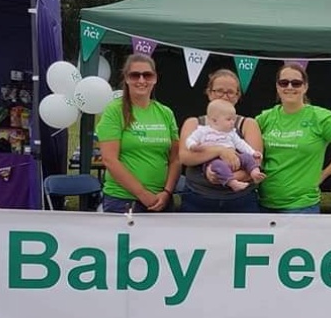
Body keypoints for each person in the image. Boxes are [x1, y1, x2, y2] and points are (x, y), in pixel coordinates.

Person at [256, 63, 331, 213]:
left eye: (296, 83)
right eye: (283, 82)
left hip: (302, 205)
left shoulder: (321, 118)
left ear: (305, 87)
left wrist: (324, 174)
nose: (289, 87)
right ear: (277, 86)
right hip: (264, 202)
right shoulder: (265, 118)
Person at [95, 54, 180, 213]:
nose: (142, 80)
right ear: (126, 78)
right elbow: (109, 159)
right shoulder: (114, 111)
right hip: (123, 201)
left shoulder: (166, 113)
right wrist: (143, 194)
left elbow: (175, 159)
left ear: (155, 78)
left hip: (161, 200)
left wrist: (167, 193)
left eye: (147, 75)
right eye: (135, 75)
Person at [178, 69, 264, 213]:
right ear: (210, 93)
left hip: (240, 201)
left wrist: (225, 178)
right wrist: (220, 150)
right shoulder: (194, 123)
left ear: (237, 96)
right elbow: (186, 158)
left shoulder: (248, 124)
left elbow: (256, 161)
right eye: (219, 91)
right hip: (198, 199)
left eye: (230, 92)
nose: (225, 96)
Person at [185, 99, 265, 191]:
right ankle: (232, 183)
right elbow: (190, 140)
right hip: (213, 160)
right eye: (228, 119)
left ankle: (255, 173)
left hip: (235, 157)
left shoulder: (231, 133)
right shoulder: (203, 131)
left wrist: (253, 152)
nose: (232, 122)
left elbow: (241, 144)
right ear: (214, 120)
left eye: (233, 119)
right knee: (218, 166)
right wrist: (193, 146)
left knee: (247, 158)